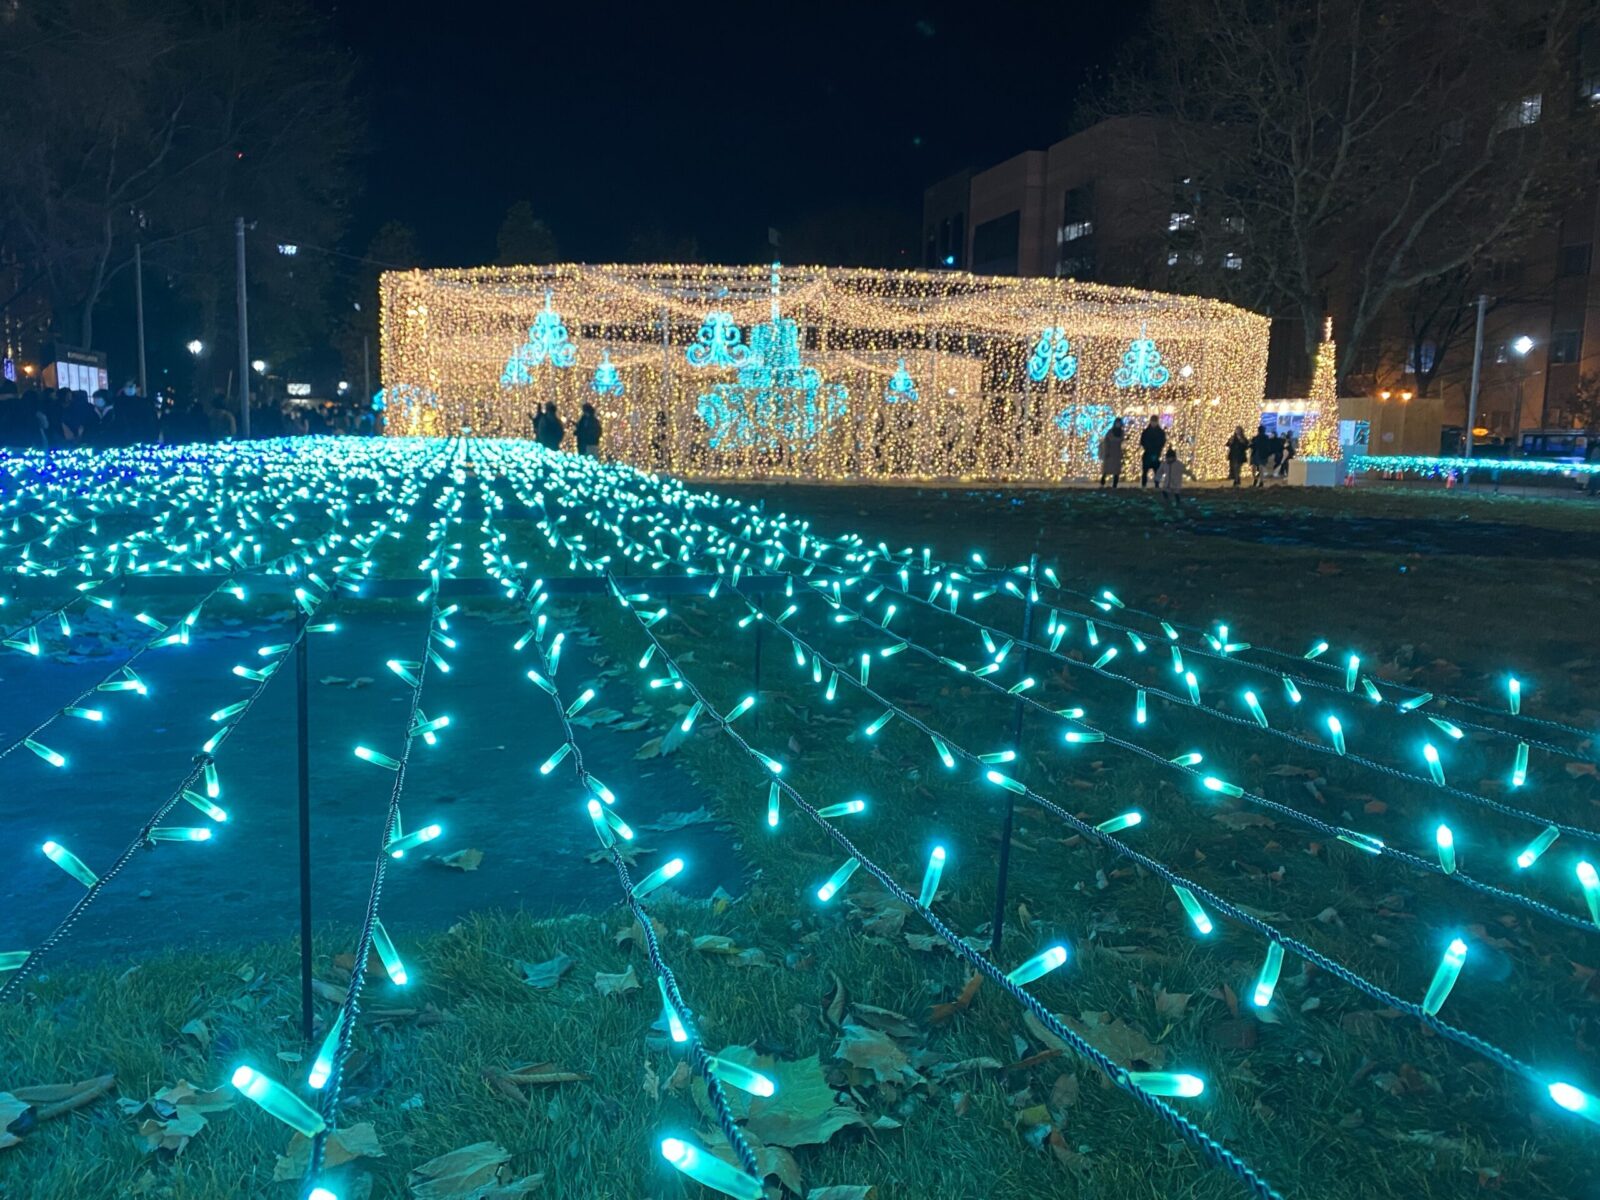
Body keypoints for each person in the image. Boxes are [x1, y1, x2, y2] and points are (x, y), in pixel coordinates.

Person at [1138, 414, 1167, 487]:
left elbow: (1162, 442)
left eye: (1155, 422)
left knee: (1156, 471)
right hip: (1148, 453)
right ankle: (1144, 485)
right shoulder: (1146, 432)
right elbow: (1142, 441)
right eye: (1152, 421)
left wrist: (1157, 450)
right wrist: (1147, 448)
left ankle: (1156, 485)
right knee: (1145, 470)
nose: (1153, 423)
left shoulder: (1160, 432)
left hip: (1156, 453)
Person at [1098, 417, 1126, 488]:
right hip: (1110, 452)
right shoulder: (1110, 432)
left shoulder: (1121, 432)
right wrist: (1106, 451)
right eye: (1117, 423)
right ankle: (1102, 483)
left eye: (1119, 423)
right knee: (1106, 470)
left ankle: (1114, 485)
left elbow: (1122, 442)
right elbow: (1106, 442)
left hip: (1117, 453)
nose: (1118, 425)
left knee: (1116, 471)